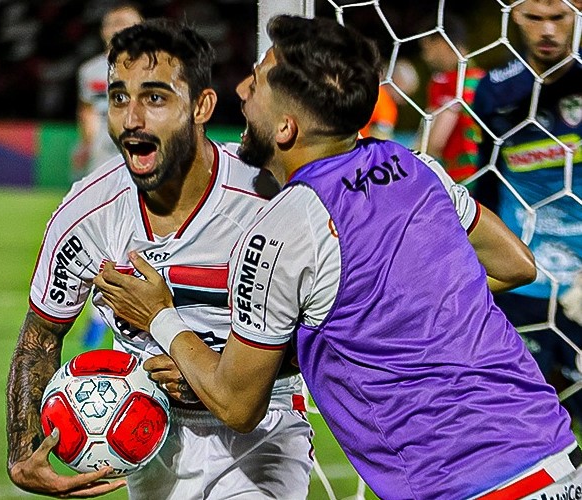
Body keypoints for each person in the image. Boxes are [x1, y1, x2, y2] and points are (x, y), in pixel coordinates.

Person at [95, 15, 581, 499]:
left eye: (258, 79)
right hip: (556, 458)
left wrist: (159, 315)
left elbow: (236, 404)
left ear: (286, 127)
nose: (241, 89)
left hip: (461, 485)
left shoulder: (282, 231)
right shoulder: (414, 167)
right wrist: (401, 314)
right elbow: (515, 263)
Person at [6, 19, 313, 499]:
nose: (131, 119)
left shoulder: (267, 199)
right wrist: (22, 449)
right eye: (119, 98)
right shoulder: (87, 214)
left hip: (262, 430)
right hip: (145, 435)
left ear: (201, 106)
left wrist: (218, 376)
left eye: (154, 98)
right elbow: (42, 333)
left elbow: (326, 334)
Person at [472, 0, 582, 425]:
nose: (548, 31)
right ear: (513, 16)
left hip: (579, 282)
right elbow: (487, 182)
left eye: (559, 17)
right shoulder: (496, 90)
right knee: (521, 414)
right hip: (522, 277)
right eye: (535, 17)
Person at [73, 3, 143, 349]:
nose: (118, 28)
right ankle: (98, 314)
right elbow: (87, 110)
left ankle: (112, 318)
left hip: (138, 164)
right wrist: (85, 145)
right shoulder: (90, 71)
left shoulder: (150, 66)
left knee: (131, 243)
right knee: (96, 241)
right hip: (101, 163)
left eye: (126, 22)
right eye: (112, 23)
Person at [418, 14, 484, 182]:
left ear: (441, 43)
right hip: (488, 174)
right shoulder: (483, 79)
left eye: (427, 48)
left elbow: (435, 142)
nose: (425, 57)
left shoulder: (446, 81)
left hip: (461, 177)